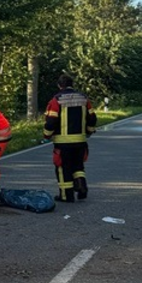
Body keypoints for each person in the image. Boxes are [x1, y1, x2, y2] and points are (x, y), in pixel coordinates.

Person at [42, 74, 96, 202]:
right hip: (81, 141)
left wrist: (46, 135)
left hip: (63, 142)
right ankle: (82, 186)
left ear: (59, 85)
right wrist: (89, 131)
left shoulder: (56, 100)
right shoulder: (84, 99)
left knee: (63, 167)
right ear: (72, 84)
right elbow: (92, 118)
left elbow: (51, 121)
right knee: (78, 166)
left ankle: (66, 195)